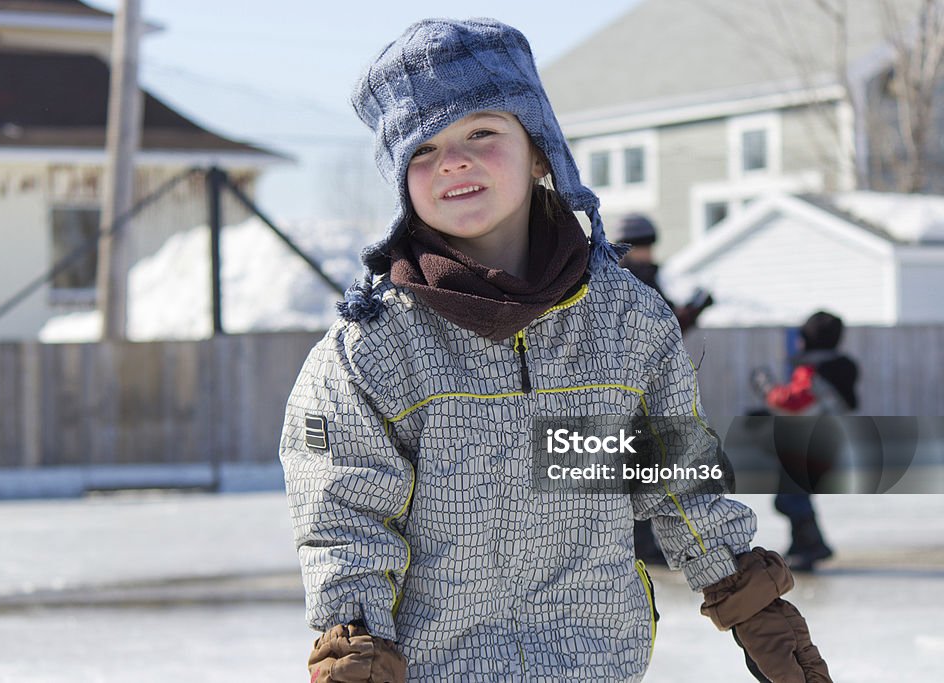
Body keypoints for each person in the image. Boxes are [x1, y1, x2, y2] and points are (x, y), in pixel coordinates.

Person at [280, 18, 832, 682]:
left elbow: (677, 481)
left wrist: (755, 607)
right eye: (421, 148)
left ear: (539, 149)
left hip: (593, 660)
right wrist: (357, 649)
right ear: (400, 177)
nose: (452, 160)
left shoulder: (623, 323)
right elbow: (346, 520)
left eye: (480, 132)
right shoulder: (373, 349)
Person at [611, 212, 714, 565]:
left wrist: (691, 312)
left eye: (649, 245)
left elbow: (664, 332)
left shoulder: (649, 279)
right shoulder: (620, 280)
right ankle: (639, 544)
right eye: (639, 246)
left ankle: (646, 542)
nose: (646, 253)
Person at [754, 311, 859, 571]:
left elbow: (794, 403)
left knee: (791, 497)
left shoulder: (815, 371)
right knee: (794, 494)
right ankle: (802, 543)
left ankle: (811, 545)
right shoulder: (835, 369)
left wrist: (767, 388)